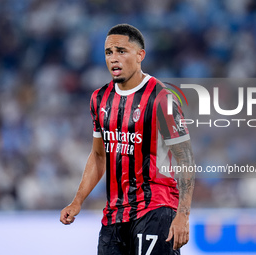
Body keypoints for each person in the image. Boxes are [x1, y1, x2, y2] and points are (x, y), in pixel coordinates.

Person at [60, 24, 195, 255]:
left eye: (121, 51)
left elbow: (186, 159)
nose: (114, 58)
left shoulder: (161, 98)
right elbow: (99, 155)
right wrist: (78, 201)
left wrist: (182, 214)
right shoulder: (99, 99)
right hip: (114, 217)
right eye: (108, 52)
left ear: (140, 55)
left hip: (156, 209)